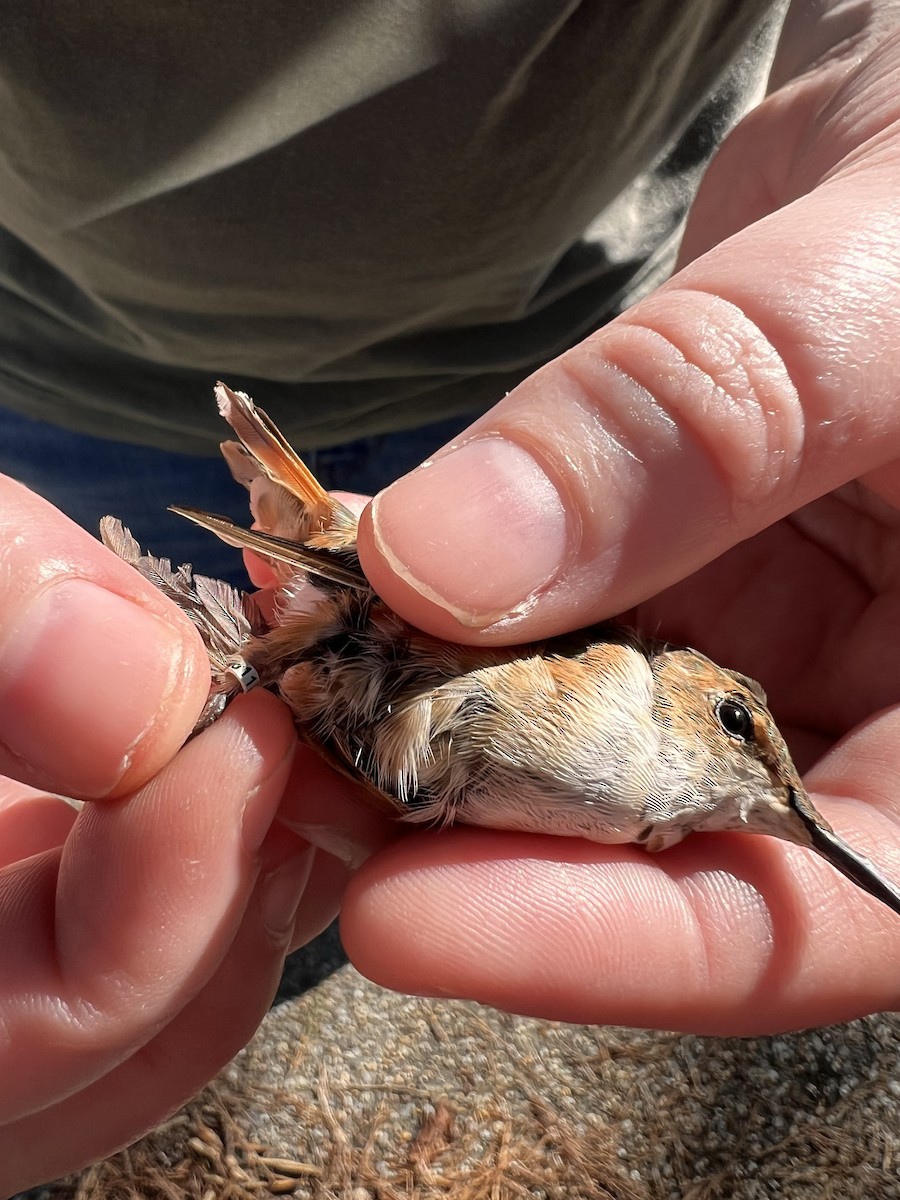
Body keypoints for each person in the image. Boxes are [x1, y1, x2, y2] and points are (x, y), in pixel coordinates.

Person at [4, 0, 900, 1191]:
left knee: (226, 803)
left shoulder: (646, 810)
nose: (759, 778)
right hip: (75, 369)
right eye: (744, 730)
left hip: (558, 339)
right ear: (689, 689)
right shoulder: (617, 682)